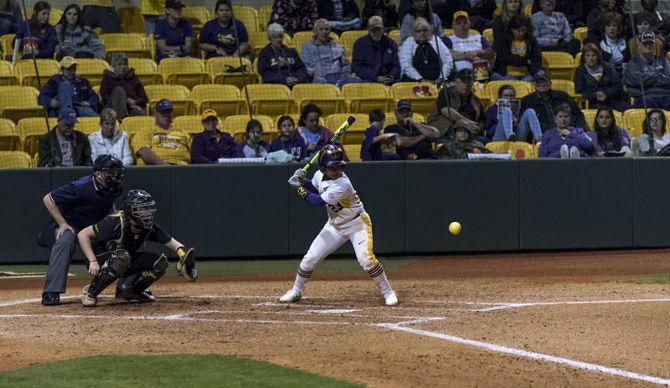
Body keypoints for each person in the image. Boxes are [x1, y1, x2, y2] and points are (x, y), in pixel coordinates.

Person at [282, 144, 398, 306]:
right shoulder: (318, 175)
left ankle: (388, 292)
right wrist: (303, 181)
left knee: (366, 259)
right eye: (332, 167)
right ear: (323, 168)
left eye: (339, 166)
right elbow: (316, 187)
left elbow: (316, 201)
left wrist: (298, 188)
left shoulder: (342, 184)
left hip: (357, 224)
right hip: (334, 225)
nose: (337, 170)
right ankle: (296, 291)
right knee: (310, 259)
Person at [78, 189, 198, 307]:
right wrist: (92, 261)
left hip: (124, 258)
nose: (148, 212)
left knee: (160, 262)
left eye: (149, 208)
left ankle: (131, 291)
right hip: (99, 259)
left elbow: (172, 243)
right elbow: (82, 234)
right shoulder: (115, 222)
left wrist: (183, 255)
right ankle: (91, 293)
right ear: (130, 210)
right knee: (122, 256)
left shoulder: (148, 226)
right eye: (143, 209)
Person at [37, 154, 124, 306]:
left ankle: (126, 286)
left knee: (120, 240)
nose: (114, 174)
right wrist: (62, 223)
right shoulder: (82, 186)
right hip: (71, 224)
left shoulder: (116, 187)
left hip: (92, 226)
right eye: (110, 171)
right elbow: (48, 199)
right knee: (65, 240)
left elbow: (108, 204)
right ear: (98, 174)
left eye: (116, 171)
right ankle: (51, 292)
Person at [520, 70, 587, 134]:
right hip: (544, 136)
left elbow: (578, 115)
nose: (542, 84)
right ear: (533, 84)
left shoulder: (563, 96)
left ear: (550, 83)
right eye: (538, 82)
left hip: (569, 132)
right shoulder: (527, 101)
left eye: (544, 81)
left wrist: (579, 130)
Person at [300, 19, 362, 87]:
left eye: (326, 29)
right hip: (321, 78)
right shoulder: (307, 47)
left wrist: (345, 73)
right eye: (321, 29)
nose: (324, 32)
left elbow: (345, 64)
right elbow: (304, 66)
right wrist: (313, 73)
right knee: (322, 82)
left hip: (338, 76)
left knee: (357, 80)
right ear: (315, 31)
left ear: (330, 31)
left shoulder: (336, 46)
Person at [132, 99, 190, 165]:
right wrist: (164, 166)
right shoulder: (146, 131)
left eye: (168, 112)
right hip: (155, 169)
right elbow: (144, 151)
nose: (166, 115)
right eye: (163, 112)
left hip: (181, 168)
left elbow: (194, 150)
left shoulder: (181, 131)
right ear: (155, 114)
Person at [574, 43, 630, 112]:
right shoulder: (580, 71)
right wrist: (595, 95)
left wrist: (606, 93)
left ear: (598, 56)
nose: (591, 58)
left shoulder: (607, 68)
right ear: (584, 57)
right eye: (588, 55)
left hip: (611, 99)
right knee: (603, 112)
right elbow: (579, 91)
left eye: (593, 55)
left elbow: (618, 85)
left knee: (628, 109)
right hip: (592, 102)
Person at [430, 69, 485, 138]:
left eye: (469, 81)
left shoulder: (476, 101)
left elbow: (482, 120)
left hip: (469, 134)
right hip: (446, 131)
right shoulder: (446, 93)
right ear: (456, 82)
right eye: (463, 81)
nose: (466, 84)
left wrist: (478, 127)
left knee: (483, 141)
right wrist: (466, 122)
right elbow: (445, 110)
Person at [624, 32, 670, 110]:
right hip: (645, 97)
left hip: (665, 96)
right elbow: (638, 81)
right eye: (645, 43)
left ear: (655, 46)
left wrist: (647, 79)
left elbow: (669, 80)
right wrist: (659, 76)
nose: (648, 46)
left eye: (651, 43)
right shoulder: (633, 63)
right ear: (640, 46)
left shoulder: (663, 61)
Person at [398, 18, 453, 83]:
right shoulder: (408, 42)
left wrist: (441, 78)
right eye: (419, 31)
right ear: (413, 32)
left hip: (438, 80)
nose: (422, 33)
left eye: (425, 30)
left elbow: (447, 61)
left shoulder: (436, 40)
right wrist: (421, 79)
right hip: (415, 81)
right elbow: (406, 66)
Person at [351, 15, 400, 85]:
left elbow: (397, 65)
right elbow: (357, 67)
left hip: (390, 80)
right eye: (373, 29)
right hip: (368, 80)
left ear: (383, 29)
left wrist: (391, 76)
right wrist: (375, 77)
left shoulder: (391, 43)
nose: (376, 32)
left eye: (378, 29)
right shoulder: (360, 44)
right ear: (368, 29)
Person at [491, 15, 541, 81]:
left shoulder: (531, 39)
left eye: (523, 30)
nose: (521, 33)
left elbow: (536, 58)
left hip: (528, 73)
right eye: (518, 31)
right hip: (506, 73)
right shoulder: (502, 39)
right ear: (512, 29)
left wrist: (525, 62)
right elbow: (505, 58)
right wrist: (526, 61)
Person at [99, 52, 148, 119]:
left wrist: (135, 101)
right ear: (113, 66)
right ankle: (121, 120)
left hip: (131, 108)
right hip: (112, 109)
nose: (122, 67)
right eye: (119, 64)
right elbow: (105, 98)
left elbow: (144, 97)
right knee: (119, 90)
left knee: (141, 116)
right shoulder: (107, 78)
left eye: (125, 64)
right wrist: (124, 101)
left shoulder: (134, 78)